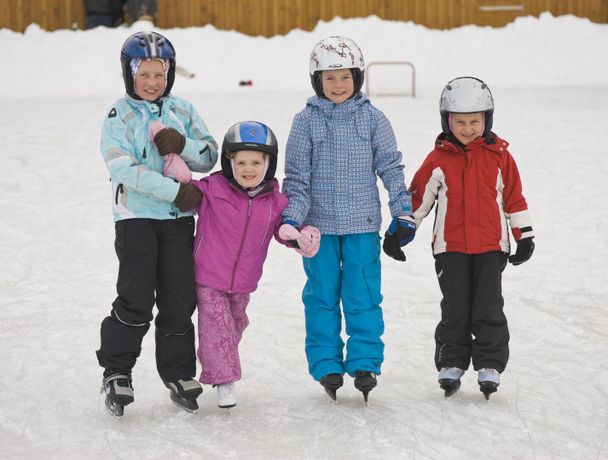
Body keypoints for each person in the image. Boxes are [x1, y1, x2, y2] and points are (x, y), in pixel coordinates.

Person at [282, 36, 414, 403]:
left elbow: (391, 166)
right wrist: (291, 220)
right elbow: (295, 177)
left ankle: (365, 362)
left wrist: (402, 211)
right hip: (317, 230)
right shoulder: (305, 122)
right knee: (321, 297)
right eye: (329, 78)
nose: (337, 86)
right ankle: (326, 363)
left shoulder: (373, 119)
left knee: (363, 295)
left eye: (344, 77)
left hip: (362, 225)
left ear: (357, 78)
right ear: (316, 82)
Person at [96, 31, 218, 417]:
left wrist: (181, 144)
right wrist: (174, 192)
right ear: (129, 73)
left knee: (180, 298)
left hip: (178, 222)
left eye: (159, 75)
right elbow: (123, 169)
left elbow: (210, 154)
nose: (152, 83)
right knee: (135, 298)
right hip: (136, 219)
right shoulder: (119, 115)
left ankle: (179, 374)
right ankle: (117, 370)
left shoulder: (181, 108)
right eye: (144, 74)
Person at [397, 76, 535, 399]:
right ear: (447, 121)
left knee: (488, 306)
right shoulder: (439, 159)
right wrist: (402, 229)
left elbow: (514, 198)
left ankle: (489, 363)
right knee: (455, 307)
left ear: (488, 120)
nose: (468, 128)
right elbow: (418, 198)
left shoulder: (501, 157)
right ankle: (452, 361)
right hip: (451, 249)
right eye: (460, 122)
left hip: (491, 247)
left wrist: (523, 236)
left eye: (475, 121)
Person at [191, 121, 320, 409]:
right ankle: (224, 380)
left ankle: (217, 361)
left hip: (244, 282)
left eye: (256, 162)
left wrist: (301, 238)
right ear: (230, 162)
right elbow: (186, 195)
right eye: (242, 162)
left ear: (268, 164)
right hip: (208, 276)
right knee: (217, 327)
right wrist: (177, 175)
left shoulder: (274, 201)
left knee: (233, 326)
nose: (249, 169)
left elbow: (285, 230)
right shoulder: (213, 189)